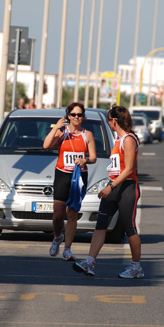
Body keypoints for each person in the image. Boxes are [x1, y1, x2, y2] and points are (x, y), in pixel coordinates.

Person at [73, 105, 143, 279]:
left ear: (114, 121)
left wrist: (110, 187)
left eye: (109, 120)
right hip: (114, 185)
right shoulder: (118, 139)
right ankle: (90, 261)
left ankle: (136, 267)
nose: (108, 123)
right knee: (101, 223)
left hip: (126, 187)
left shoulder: (128, 139)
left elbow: (128, 169)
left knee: (129, 227)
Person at [43, 102, 96, 261]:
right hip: (62, 174)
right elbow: (46, 145)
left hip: (79, 176)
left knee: (72, 213)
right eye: (73, 115)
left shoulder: (87, 135)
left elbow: (93, 157)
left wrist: (84, 160)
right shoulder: (62, 132)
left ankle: (67, 248)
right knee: (58, 214)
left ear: (83, 117)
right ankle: (57, 236)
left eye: (79, 115)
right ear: (68, 116)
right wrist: (55, 128)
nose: (76, 117)